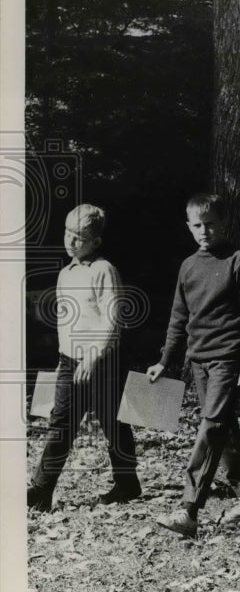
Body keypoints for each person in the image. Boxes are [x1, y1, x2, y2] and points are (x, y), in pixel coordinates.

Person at [148, 193, 240, 538]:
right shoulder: (188, 266)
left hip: (228, 358)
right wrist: (165, 361)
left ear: (223, 223)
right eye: (197, 225)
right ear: (189, 227)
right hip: (197, 360)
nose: (204, 231)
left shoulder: (238, 260)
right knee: (224, 428)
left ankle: (189, 509)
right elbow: (178, 317)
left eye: (211, 223)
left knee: (211, 427)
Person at [27, 204, 141, 511]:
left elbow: (112, 320)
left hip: (103, 362)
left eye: (80, 237)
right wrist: (63, 359)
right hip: (69, 362)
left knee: (114, 425)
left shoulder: (104, 270)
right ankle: (40, 490)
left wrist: (93, 357)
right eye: (68, 234)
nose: (72, 241)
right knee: (60, 424)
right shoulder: (66, 273)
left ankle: (127, 483)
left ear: (96, 241)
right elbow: (68, 321)